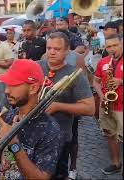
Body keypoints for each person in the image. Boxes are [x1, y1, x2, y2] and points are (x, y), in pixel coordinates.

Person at [0, 59, 61, 179]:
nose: (6, 90)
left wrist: (14, 144)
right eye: (7, 84)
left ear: (33, 88)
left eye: (14, 85)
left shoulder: (50, 129)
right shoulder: (10, 115)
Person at [38, 32, 95, 179]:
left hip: (59, 139)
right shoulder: (36, 66)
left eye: (57, 49)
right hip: (34, 136)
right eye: (49, 48)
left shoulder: (75, 75)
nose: (51, 52)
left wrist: (58, 106)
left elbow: (90, 108)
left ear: (67, 51)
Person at [93, 34, 123, 175]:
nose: (112, 49)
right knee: (110, 135)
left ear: (121, 44)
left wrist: (120, 81)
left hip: (122, 106)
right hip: (107, 104)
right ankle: (116, 163)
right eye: (108, 46)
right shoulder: (103, 62)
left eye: (115, 45)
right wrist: (101, 96)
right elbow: (95, 82)